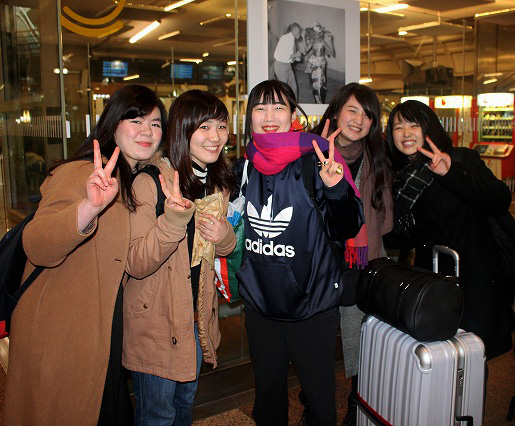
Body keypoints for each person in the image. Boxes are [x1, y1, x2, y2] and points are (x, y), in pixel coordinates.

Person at [2, 84, 167, 425]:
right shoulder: (80, 173)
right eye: (136, 120)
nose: (147, 131)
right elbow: (38, 245)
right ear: (112, 125)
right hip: (62, 331)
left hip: (100, 328)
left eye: (155, 123)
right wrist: (88, 208)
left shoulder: (131, 177)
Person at [237, 79, 363, 426]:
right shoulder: (244, 166)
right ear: (249, 117)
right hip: (261, 305)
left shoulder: (316, 160)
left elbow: (346, 228)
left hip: (312, 306)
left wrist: (336, 189)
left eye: (278, 107)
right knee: (267, 396)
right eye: (260, 108)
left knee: (320, 398)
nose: (269, 116)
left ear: (293, 113)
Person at [123, 90, 236, 425]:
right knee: (158, 416)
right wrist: (172, 220)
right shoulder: (150, 182)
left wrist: (224, 235)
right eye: (204, 127)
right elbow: (136, 262)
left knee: (184, 408)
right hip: (156, 324)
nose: (215, 137)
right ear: (182, 131)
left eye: (221, 126)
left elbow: (223, 248)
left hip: (194, 320)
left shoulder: (216, 183)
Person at [384, 100, 515, 361]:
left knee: (474, 357)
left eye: (414, 125)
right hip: (431, 280)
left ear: (428, 128)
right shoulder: (397, 176)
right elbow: (399, 237)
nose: (406, 133)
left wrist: (451, 174)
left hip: (473, 277)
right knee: (439, 358)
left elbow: (499, 199)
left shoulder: (460, 159)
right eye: (398, 127)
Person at [311, 83, 393, 426]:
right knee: (315, 346)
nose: (359, 119)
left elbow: (383, 221)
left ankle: (356, 408)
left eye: (367, 114)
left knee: (361, 342)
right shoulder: (311, 151)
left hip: (361, 263)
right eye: (353, 110)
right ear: (336, 112)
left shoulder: (377, 160)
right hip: (318, 266)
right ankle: (314, 407)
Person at [304, 22, 336, 104]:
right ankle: (318, 100)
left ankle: (320, 101)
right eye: (315, 33)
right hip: (314, 62)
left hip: (320, 64)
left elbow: (332, 53)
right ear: (313, 33)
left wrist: (330, 40)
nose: (316, 35)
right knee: (315, 82)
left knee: (320, 82)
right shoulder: (312, 41)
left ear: (321, 33)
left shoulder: (322, 42)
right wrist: (304, 38)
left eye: (318, 33)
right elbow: (306, 50)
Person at [273, 23, 303, 99]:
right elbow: (285, 56)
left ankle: (294, 104)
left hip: (287, 66)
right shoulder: (287, 39)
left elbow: (289, 56)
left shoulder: (290, 38)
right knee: (283, 90)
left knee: (293, 87)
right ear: (294, 30)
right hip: (281, 66)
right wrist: (296, 55)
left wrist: (296, 57)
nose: (300, 34)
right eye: (299, 31)